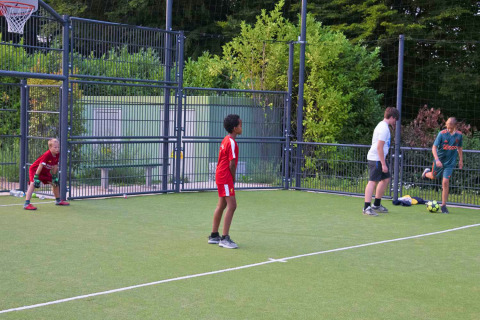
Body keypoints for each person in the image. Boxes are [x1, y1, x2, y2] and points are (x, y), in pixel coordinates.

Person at [208, 114, 242, 249]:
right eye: (240, 125)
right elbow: (231, 163)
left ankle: (214, 235)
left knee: (221, 205)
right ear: (234, 128)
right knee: (232, 206)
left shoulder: (226, 139)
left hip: (220, 175)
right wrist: (233, 178)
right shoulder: (232, 142)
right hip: (225, 176)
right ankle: (224, 238)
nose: (241, 127)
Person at [363, 107, 400, 216]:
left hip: (380, 158)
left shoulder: (383, 126)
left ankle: (377, 204)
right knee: (372, 181)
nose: (395, 122)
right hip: (376, 159)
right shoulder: (383, 128)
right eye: (395, 119)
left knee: (386, 178)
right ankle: (366, 207)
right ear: (392, 117)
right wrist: (383, 164)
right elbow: (379, 147)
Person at [422, 117, 463, 213]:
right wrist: (437, 160)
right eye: (447, 127)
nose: (449, 130)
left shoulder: (459, 135)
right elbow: (434, 147)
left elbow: (460, 148)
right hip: (439, 161)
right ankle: (426, 173)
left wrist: (461, 160)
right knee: (433, 176)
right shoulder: (441, 134)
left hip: (450, 163)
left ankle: (444, 205)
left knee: (445, 181)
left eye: (451, 128)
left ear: (455, 126)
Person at [24, 138, 70, 210]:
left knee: (55, 183)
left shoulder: (57, 154)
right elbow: (40, 165)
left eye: (58, 147)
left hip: (45, 172)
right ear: (50, 147)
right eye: (55, 147)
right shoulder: (47, 154)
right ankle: (26, 204)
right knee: (33, 184)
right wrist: (36, 177)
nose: (57, 149)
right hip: (35, 170)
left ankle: (58, 201)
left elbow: (55, 166)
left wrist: (54, 176)